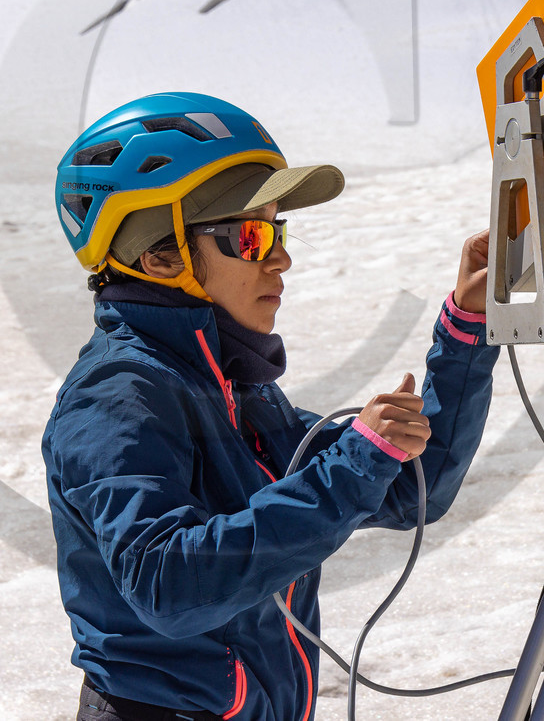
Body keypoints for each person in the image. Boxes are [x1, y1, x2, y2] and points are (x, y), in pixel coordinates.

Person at [42, 92, 498, 721]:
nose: (281, 257)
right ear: (160, 256)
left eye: (277, 231)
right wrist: (353, 463)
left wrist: (467, 327)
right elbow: (165, 585)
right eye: (251, 236)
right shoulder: (118, 395)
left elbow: (413, 489)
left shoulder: (233, 390)